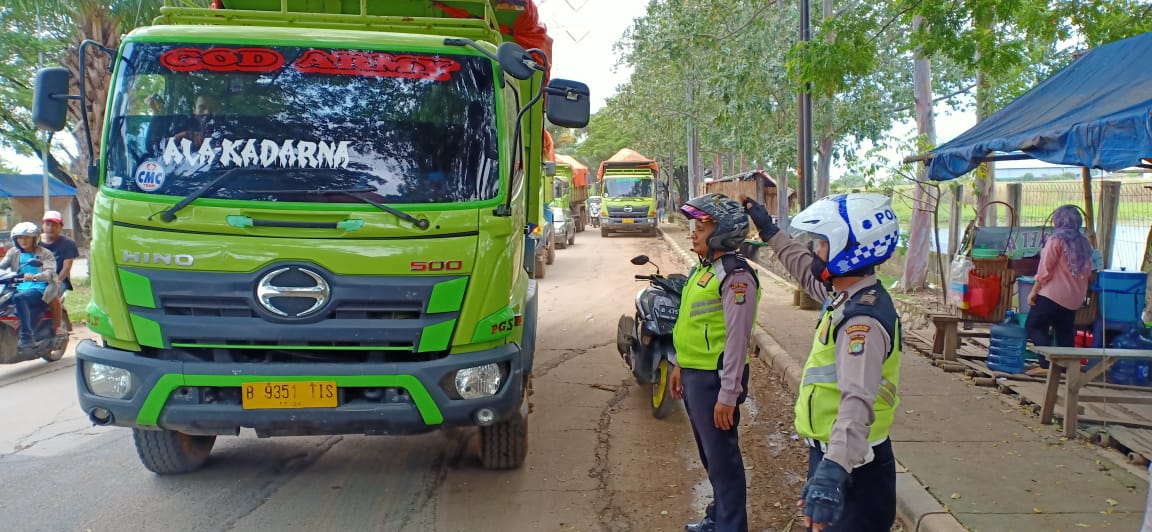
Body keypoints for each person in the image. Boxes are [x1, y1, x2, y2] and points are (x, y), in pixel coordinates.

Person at [743, 193, 903, 532]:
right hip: (840, 457)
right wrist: (770, 231)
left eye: (822, 244)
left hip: (853, 467)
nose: (816, 251)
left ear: (849, 250)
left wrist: (833, 472)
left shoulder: (863, 321)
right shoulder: (846, 296)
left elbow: (857, 401)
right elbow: (803, 267)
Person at [667, 193, 760, 532]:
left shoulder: (736, 277)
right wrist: (680, 363)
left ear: (723, 231)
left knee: (724, 463)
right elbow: (691, 324)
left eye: (702, 226)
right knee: (711, 457)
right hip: (695, 375)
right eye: (694, 225)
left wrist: (728, 394)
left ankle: (730, 526)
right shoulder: (704, 270)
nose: (693, 232)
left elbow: (737, 340)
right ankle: (718, 519)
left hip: (715, 380)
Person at [1024, 204, 1095, 377]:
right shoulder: (1085, 242)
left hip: (1052, 296)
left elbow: (1045, 270)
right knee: (1064, 332)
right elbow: (1090, 271)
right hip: (1074, 299)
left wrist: (1034, 291)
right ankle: (1066, 368)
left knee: (1033, 326)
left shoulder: (1056, 240)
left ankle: (1047, 365)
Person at [0, 222, 59, 348]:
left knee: (19, 298)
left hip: (39, 288)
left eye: (27, 237)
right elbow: (2, 266)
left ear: (34, 238)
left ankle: (26, 335)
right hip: (18, 286)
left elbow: (50, 272)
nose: (23, 240)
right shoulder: (13, 252)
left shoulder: (45, 253)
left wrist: (36, 277)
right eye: (20, 237)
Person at [40, 210, 79, 335]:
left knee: (50, 295)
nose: (50, 228)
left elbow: (66, 267)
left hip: (59, 279)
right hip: (37, 279)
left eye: (54, 225)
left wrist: (56, 283)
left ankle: (58, 327)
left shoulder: (68, 244)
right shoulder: (35, 242)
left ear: (61, 227)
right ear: (42, 225)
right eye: (47, 224)